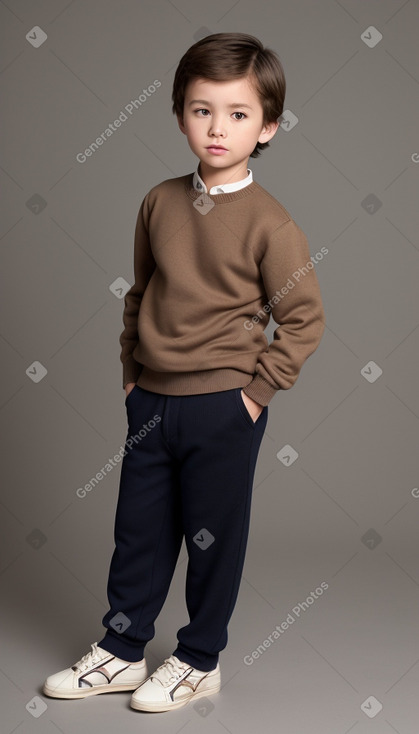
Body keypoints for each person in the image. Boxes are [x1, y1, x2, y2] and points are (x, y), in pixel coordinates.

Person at [43, 32, 325, 713]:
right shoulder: (159, 201)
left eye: (236, 113)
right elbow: (140, 292)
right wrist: (131, 377)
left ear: (267, 126)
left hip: (223, 407)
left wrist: (254, 397)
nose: (217, 127)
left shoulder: (270, 222)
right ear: (178, 115)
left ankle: (199, 659)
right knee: (137, 530)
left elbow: (304, 319)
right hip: (152, 403)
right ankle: (121, 650)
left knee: (212, 536)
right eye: (201, 110)